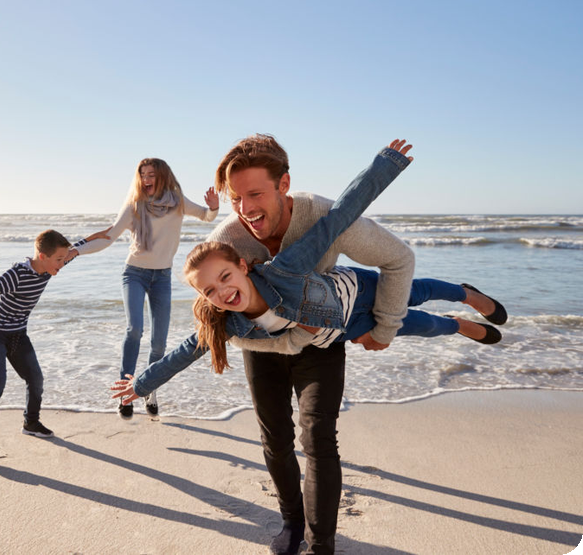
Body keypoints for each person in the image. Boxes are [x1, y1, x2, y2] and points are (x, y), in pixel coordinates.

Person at [116, 136, 443, 555]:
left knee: (319, 438)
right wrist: (142, 383)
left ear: (283, 184)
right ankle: (291, 522)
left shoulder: (309, 227)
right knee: (275, 440)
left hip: (318, 340)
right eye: (236, 198)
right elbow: (195, 340)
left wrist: (387, 164)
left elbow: (354, 218)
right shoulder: (227, 243)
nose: (246, 207)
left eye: (255, 194)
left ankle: (321, 543)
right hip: (262, 347)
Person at [112, 142, 506, 400]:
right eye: (210, 292)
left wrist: (385, 166)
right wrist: (141, 384)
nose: (222, 292)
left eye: (225, 278)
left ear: (243, 266)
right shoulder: (228, 321)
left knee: (416, 292)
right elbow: (186, 351)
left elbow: (338, 219)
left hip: (357, 291)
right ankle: (457, 325)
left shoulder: (287, 265)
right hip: (346, 326)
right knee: (421, 325)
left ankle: (464, 293)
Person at [72, 157, 219, 418]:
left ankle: (150, 390)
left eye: (151, 174)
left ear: (162, 176)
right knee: (135, 329)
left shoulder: (177, 201)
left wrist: (214, 207)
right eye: (142, 174)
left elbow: (206, 216)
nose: (146, 179)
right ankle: (124, 392)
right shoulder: (134, 205)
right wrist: (76, 251)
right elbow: (109, 237)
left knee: (159, 343)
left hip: (162, 277)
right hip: (135, 274)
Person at [0, 229, 97, 457]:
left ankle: (31, 423)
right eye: (59, 259)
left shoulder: (51, 265)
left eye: (63, 259)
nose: (62, 264)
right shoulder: (17, 274)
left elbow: (77, 248)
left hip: (18, 335)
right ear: (43, 256)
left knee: (35, 379)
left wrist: (104, 234)